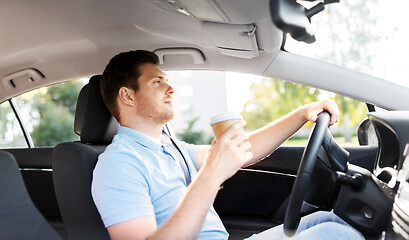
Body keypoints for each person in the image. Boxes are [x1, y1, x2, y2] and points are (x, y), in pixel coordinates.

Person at [91, 50, 364, 240]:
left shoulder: (171, 147)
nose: (171, 88)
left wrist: (303, 114)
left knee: (331, 220)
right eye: (157, 81)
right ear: (127, 96)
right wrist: (211, 174)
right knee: (337, 235)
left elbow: (245, 150)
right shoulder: (118, 164)